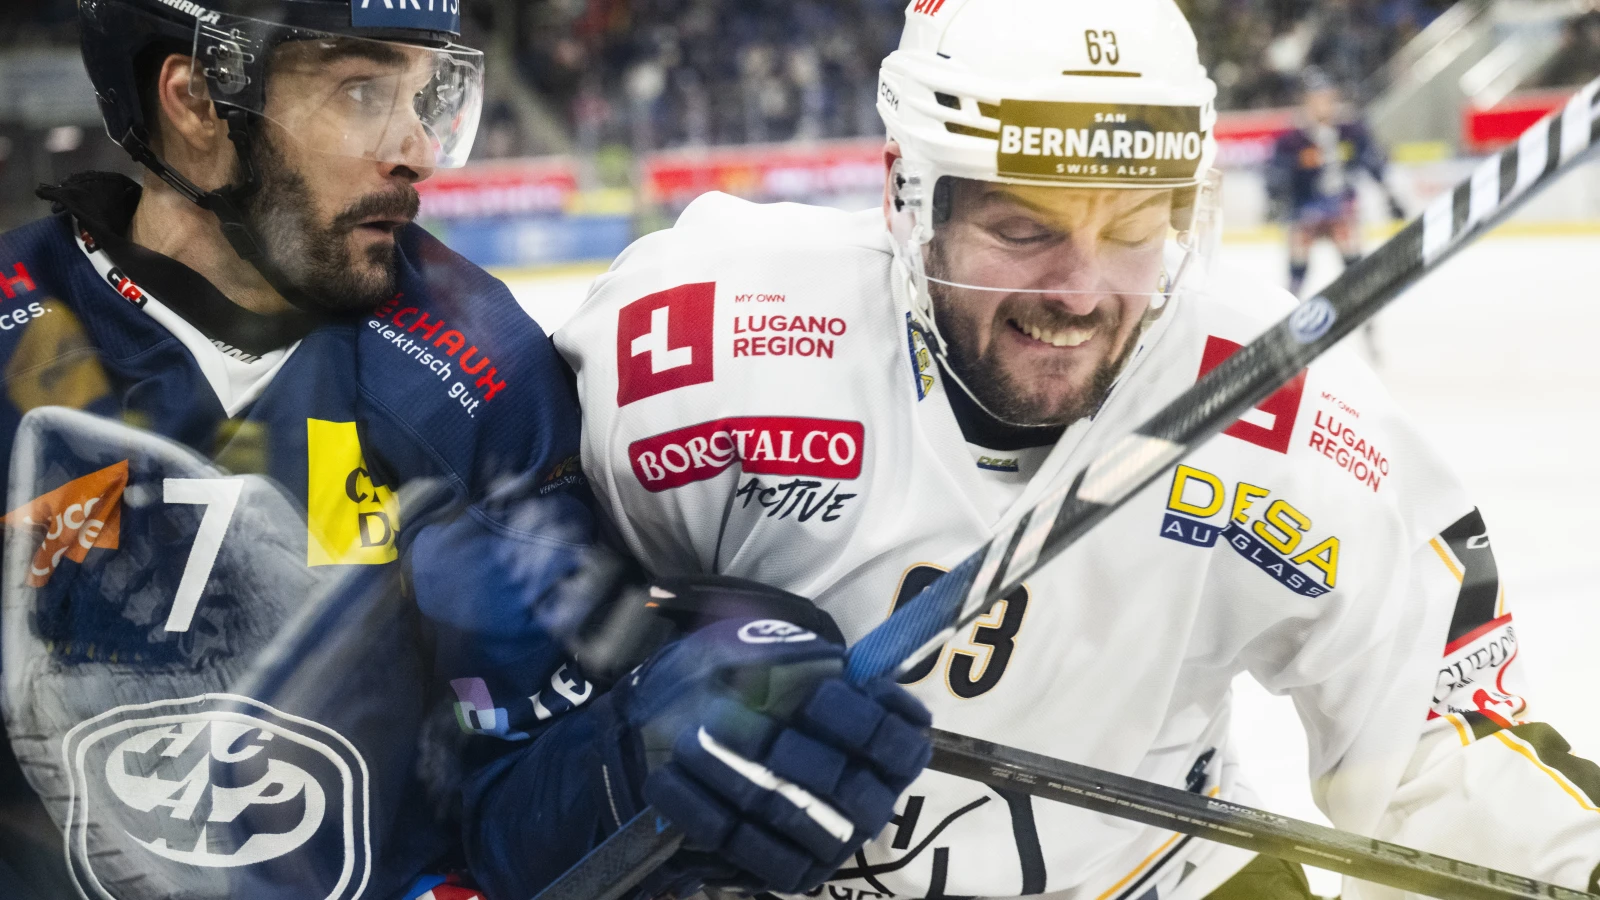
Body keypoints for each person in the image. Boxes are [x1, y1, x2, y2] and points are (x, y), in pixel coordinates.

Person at [485, 0, 1600, 899]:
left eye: (1130, 231)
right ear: (904, 200)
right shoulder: (702, 348)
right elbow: (524, 643)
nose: (1078, 294)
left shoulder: (1295, 418)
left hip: (1155, 870)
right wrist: (650, 702)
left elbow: (1423, 750)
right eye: (1021, 230)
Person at [0, 2, 596, 899]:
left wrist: (635, 752)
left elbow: (524, 777)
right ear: (197, 99)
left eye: (428, 95)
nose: (418, 151)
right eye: (362, 91)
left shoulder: (482, 370)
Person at [1267, 70, 1401, 298]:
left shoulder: (1351, 132)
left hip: (1342, 205)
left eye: (1328, 98)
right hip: (1305, 206)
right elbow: (1277, 172)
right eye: (1317, 99)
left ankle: (1361, 302)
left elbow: (1372, 162)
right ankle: (1290, 303)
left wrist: (1390, 195)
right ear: (1307, 102)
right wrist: (1276, 197)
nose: (1323, 105)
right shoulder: (1292, 140)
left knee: (1352, 255)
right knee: (1299, 254)